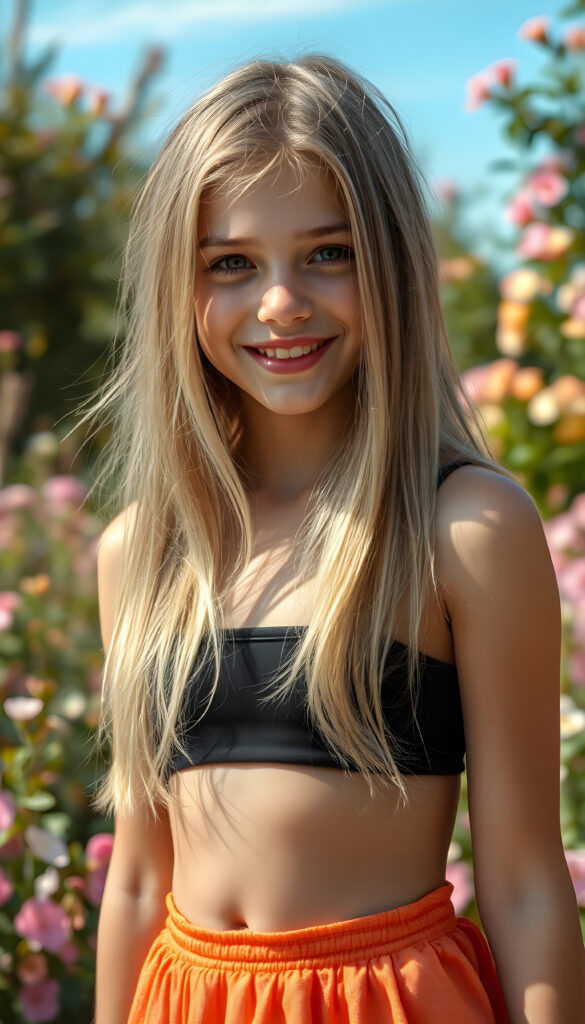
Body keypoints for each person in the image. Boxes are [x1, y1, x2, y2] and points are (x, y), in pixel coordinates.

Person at [90, 54, 585, 1024]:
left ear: (391, 261)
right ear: (175, 290)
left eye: (328, 251)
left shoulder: (464, 528)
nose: (281, 301)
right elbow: (141, 883)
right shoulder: (142, 550)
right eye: (230, 262)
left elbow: (525, 881)